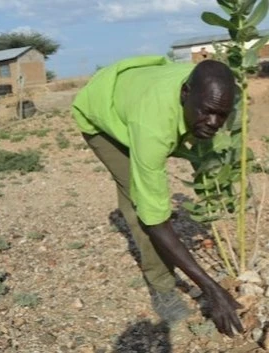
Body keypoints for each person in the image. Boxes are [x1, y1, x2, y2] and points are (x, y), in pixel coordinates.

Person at [70, 56, 244, 337]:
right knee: (140, 206)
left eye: (221, 115)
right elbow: (154, 220)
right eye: (207, 112)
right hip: (100, 113)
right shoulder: (153, 128)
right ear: (186, 93)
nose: (213, 122)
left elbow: (212, 113)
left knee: (155, 188)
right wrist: (212, 289)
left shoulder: (210, 91)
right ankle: (162, 288)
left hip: (136, 92)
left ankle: (160, 219)